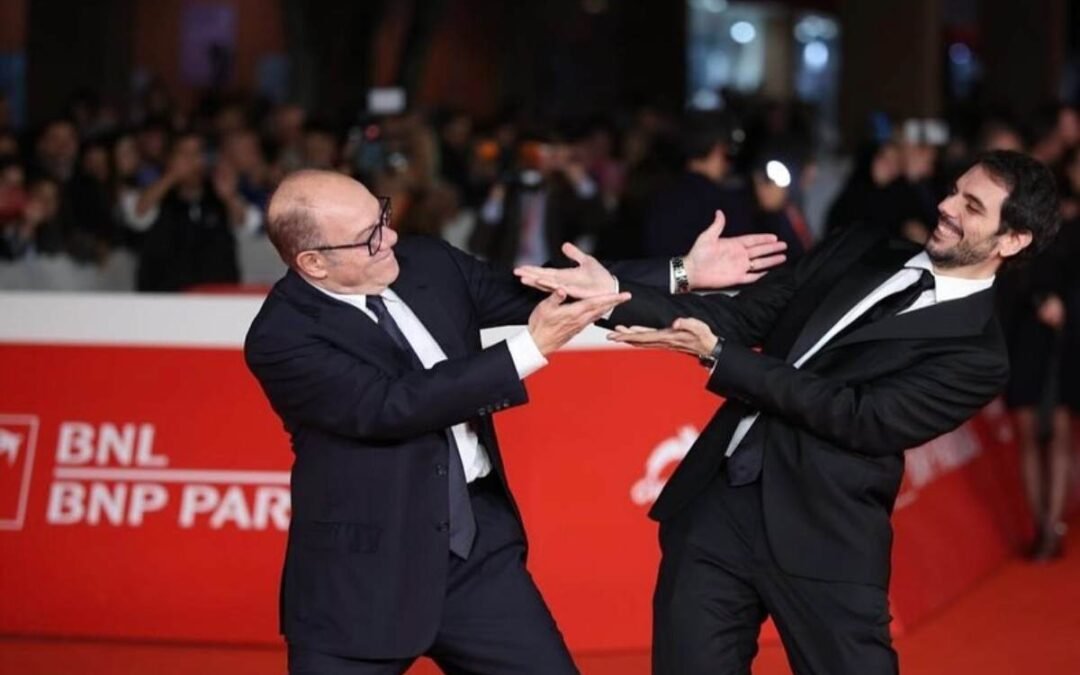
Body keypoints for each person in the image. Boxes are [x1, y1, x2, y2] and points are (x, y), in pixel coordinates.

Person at [516, 150, 1060, 674]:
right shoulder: (858, 247)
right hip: (717, 507)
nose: (946, 206)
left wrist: (720, 357)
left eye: (972, 206)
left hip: (825, 535)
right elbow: (742, 318)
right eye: (954, 191)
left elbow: (861, 417)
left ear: (1013, 240)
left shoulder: (978, 354)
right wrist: (614, 292)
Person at [244, 169, 787, 674]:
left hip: (475, 549)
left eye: (382, 217)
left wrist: (682, 272)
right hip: (364, 575)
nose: (390, 238)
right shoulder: (282, 337)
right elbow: (392, 406)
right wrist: (529, 348)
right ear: (313, 263)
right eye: (368, 237)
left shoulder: (426, 262)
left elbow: (528, 287)